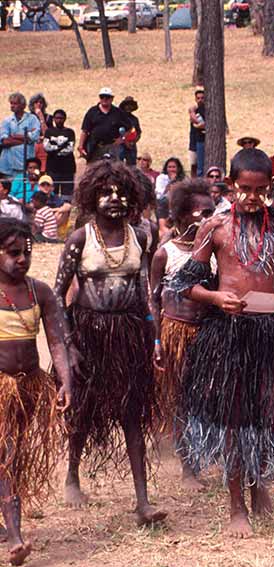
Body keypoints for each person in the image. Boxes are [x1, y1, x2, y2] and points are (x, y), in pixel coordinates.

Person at [168, 148, 274, 538]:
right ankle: (236, 506)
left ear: (270, 187)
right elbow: (185, 285)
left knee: (266, 412)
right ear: (231, 185)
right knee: (233, 418)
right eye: (245, 189)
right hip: (229, 332)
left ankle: (259, 481)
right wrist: (215, 297)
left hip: (272, 331)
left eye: (260, 190)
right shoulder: (214, 228)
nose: (251, 197)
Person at [53, 159, 164, 524]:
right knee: (84, 411)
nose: (114, 199)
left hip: (129, 335)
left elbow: (145, 293)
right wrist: (69, 346)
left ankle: (143, 501)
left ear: (132, 197)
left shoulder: (141, 237)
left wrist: (155, 338)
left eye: (120, 193)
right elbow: (57, 297)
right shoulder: (80, 239)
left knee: (133, 414)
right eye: (105, 192)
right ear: (92, 197)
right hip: (88, 334)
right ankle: (72, 475)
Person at [0, 217, 72, 566]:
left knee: (11, 455)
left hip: (28, 388)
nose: (22, 259)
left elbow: (56, 342)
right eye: (13, 253)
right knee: (8, 456)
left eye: (26, 252)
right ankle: (15, 536)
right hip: (1, 389)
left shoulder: (39, 291)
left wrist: (65, 381)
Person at [147, 178, 214, 490]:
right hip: (176, 332)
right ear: (183, 215)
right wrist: (157, 340)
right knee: (181, 398)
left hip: (209, 333)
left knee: (209, 396)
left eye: (211, 212)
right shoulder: (166, 253)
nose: (208, 218)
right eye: (202, 213)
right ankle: (188, 467)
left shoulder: (214, 249)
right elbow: (153, 299)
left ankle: (211, 455)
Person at [79, 88, 129, 163]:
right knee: (94, 168)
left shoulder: (118, 112)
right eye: (102, 97)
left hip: (113, 147)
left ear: (112, 98)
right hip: (95, 147)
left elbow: (130, 129)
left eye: (107, 97)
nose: (104, 99)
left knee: (114, 168)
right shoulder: (92, 111)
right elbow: (85, 131)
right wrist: (81, 146)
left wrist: (122, 139)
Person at [1, 93, 41, 184]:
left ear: (23, 105)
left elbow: (35, 136)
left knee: (24, 189)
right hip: (8, 165)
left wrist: (14, 136)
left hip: (25, 164)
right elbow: (4, 141)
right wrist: (26, 138)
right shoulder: (7, 121)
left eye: (15, 103)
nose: (12, 106)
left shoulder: (32, 119)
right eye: (11, 103)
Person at [41, 109, 76, 199]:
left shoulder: (70, 132)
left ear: (65, 119)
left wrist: (54, 149)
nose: (59, 120)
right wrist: (60, 147)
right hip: (52, 167)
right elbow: (46, 147)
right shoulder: (49, 132)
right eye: (57, 118)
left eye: (61, 118)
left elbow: (70, 148)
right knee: (52, 193)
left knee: (67, 195)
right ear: (53, 119)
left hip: (67, 168)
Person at [116, 96, 141, 166]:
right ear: (124, 106)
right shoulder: (118, 118)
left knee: (132, 166)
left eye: (131, 105)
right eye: (127, 105)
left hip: (131, 146)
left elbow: (138, 132)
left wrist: (133, 142)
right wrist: (124, 141)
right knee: (118, 165)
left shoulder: (135, 119)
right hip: (120, 145)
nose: (129, 107)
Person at [188, 88, 206, 176]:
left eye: (202, 98)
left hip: (202, 141)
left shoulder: (209, 111)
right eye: (198, 98)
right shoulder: (194, 110)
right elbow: (195, 122)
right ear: (195, 99)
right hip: (193, 141)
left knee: (201, 167)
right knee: (193, 166)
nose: (200, 100)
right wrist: (191, 111)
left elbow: (199, 124)